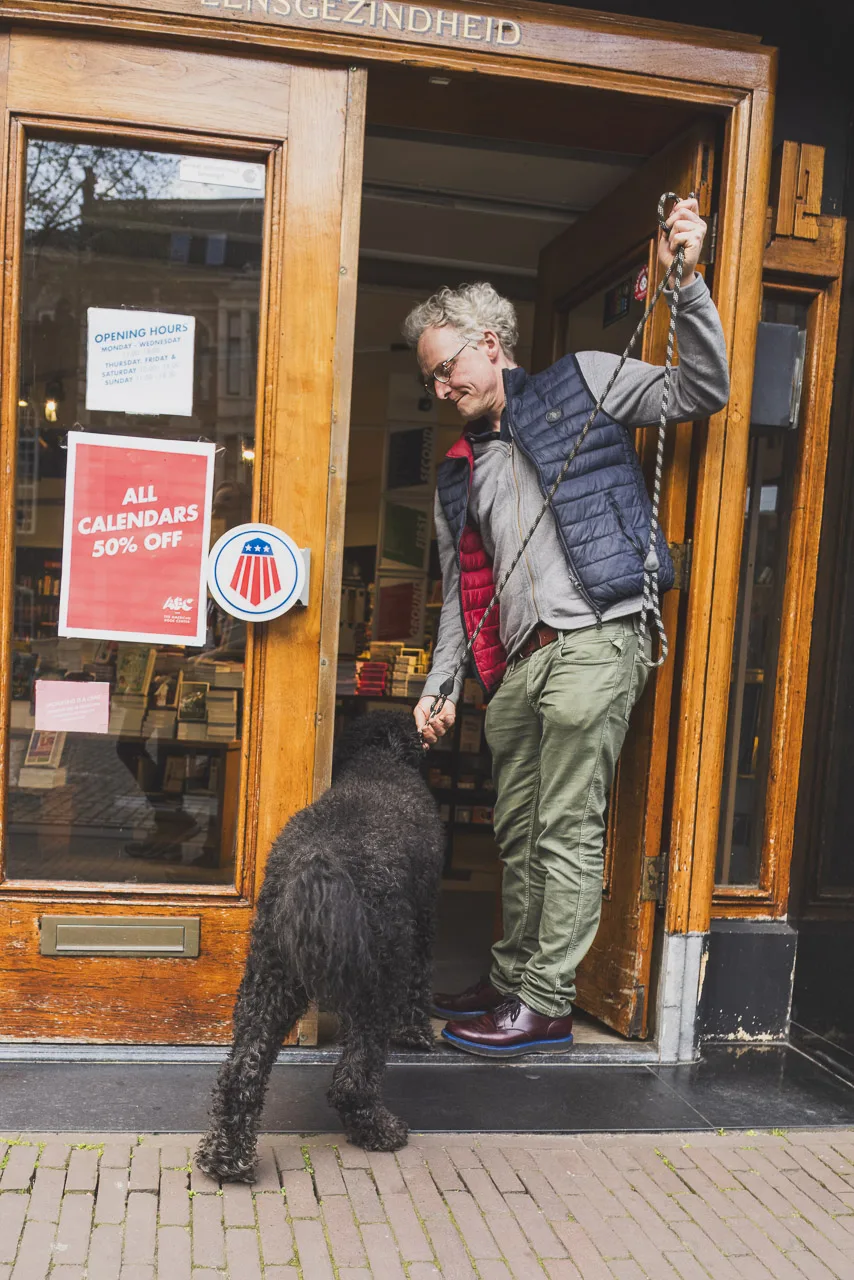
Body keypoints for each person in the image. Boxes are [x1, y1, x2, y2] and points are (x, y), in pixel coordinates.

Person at [406, 199, 729, 1058]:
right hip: (516, 669)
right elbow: (456, 595)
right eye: (431, 381)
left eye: (447, 369)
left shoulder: (584, 379)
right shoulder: (456, 472)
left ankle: (544, 1003)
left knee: (565, 829)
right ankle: (512, 977)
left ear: (490, 343)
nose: (441, 389)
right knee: (514, 830)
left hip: (594, 638)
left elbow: (703, 389)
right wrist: (443, 685)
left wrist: (686, 283)